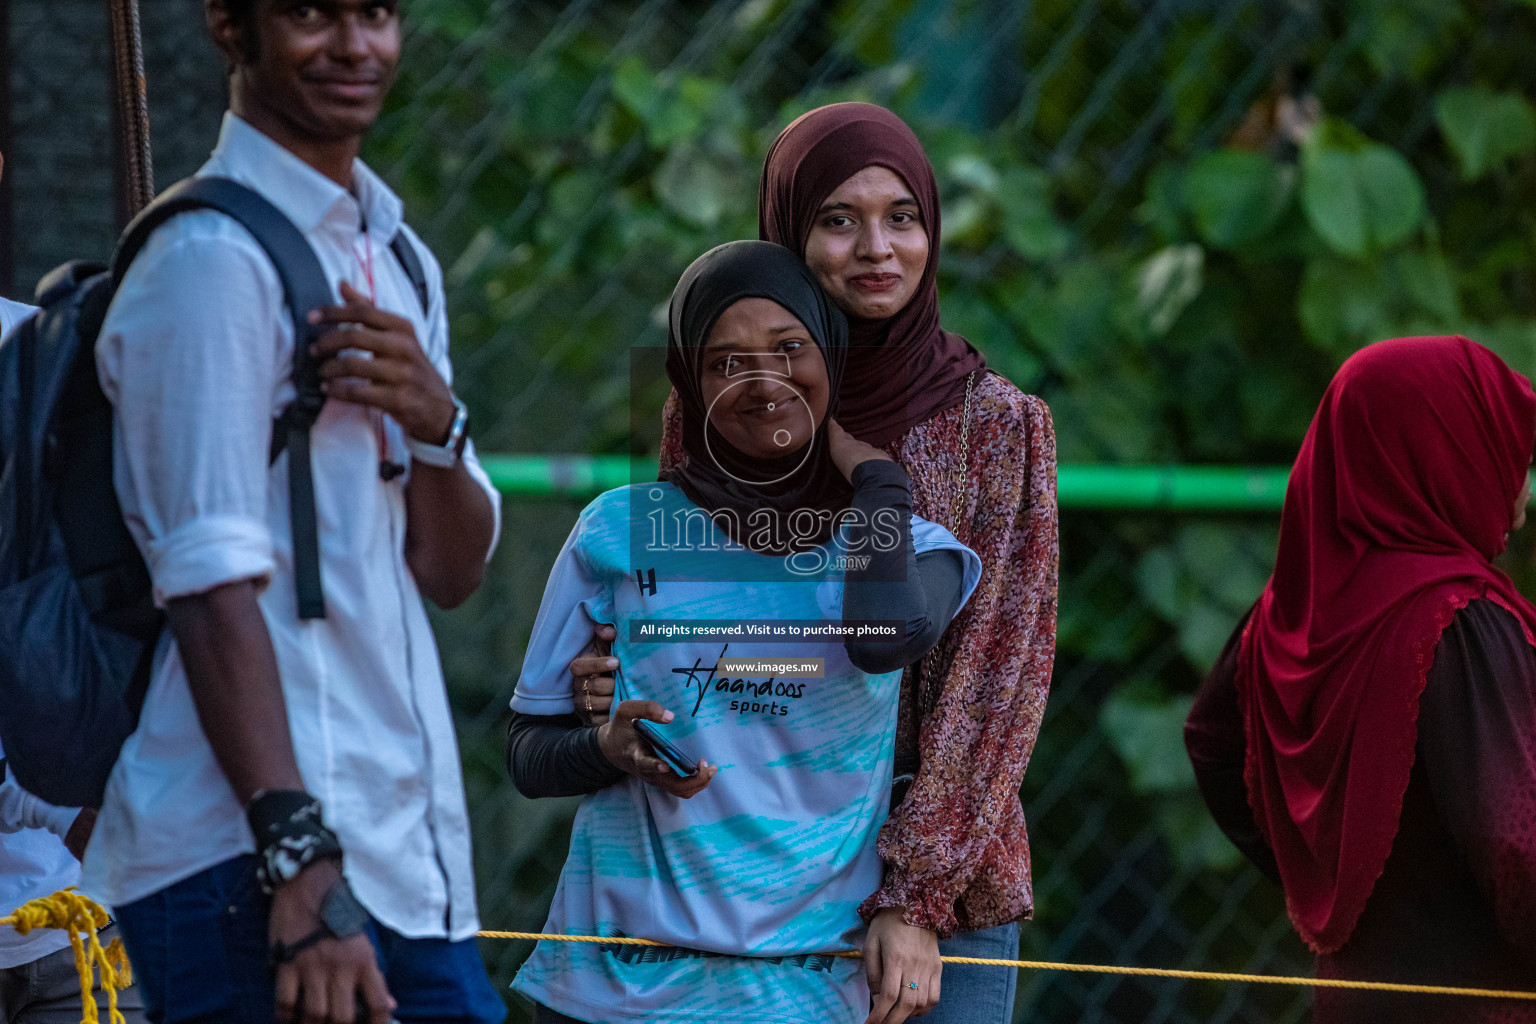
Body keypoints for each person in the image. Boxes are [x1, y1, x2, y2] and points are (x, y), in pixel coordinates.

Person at [572, 102, 1057, 1022]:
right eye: (838, 219)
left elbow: (1002, 676)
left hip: (929, 867)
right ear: (790, 234)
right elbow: (685, 612)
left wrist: (914, 897)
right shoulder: (718, 399)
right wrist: (611, 675)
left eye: (902, 217)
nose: (878, 247)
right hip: (748, 857)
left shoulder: (997, 423)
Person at [83, 2, 504, 1022]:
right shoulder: (208, 261)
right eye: (312, 14)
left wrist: (438, 422)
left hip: (405, 859)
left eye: (376, 13)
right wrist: (300, 863)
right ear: (232, 26)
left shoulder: (399, 257)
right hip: (252, 865)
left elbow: (450, 573)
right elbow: (207, 587)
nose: (354, 47)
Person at [506, 240, 983, 1024]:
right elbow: (528, 751)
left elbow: (880, 636)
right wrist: (604, 750)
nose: (763, 382)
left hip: (799, 992)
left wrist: (877, 484)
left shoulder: (902, 548)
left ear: (833, 359)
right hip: (614, 988)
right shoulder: (619, 532)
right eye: (726, 361)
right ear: (688, 385)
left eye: (791, 348)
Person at [1185, 335, 1536, 1023]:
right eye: (1500, 447)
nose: (1519, 482)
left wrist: (1334, 877)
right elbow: (1518, 841)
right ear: (1446, 454)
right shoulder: (1457, 618)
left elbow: (1212, 742)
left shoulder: (1294, 613)